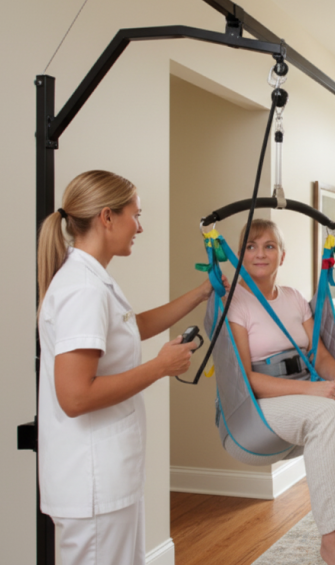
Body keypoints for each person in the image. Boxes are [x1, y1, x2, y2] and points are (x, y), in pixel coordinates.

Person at [36, 170, 224, 565]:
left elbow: (131, 327)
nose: (139, 226)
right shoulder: (82, 290)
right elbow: (74, 396)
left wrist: (202, 292)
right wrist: (159, 367)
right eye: (135, 215)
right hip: (92, 481)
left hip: (107, 477)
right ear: (107, 217)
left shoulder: (94, 280)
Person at [227, 219, 335, 565]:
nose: (260, 253)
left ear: (282, 256)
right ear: (239, 256)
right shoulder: (236, 305)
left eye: (269, 246)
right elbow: (247, 379)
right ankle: (332, 540)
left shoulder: (294, 298)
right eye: (250, 246)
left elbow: (321, 355)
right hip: (263, 402)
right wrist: (316, 391)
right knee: (328, 414)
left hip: (308, 385)